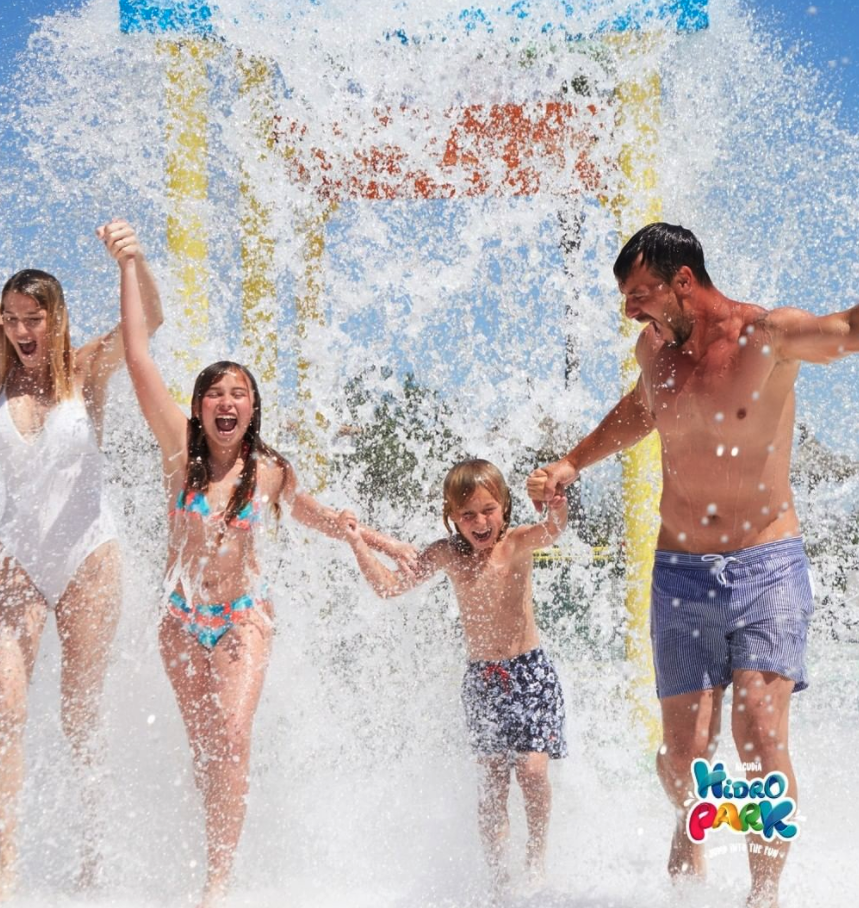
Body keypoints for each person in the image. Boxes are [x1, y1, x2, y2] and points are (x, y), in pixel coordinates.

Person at [527, 221, 859, 907]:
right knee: (683, 759)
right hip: (680, 570)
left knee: (758, 736)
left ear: (684, 281)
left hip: (766, 561)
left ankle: (761, 895)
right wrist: (570, 462)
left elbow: (844, 331)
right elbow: (641, 412)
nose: (630, 309)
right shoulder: (653, 348)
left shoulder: (764, 336)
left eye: (640, 293)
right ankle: (696, 818)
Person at [116, 241, 415, 908]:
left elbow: (307, 510)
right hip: (180, 621)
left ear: (252, 410)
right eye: (215, 393)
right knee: (204, 755)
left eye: (239, 394)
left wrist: (367, 534)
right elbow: (138, 360)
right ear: (197, 408)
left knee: (232, 735)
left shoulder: (271, 469)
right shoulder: (178, 454)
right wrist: (128, 269)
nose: (227, 402)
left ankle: (218, 882)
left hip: (243, 617)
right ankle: (212, 849)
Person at [0, 92, 164, 898]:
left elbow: (151, 330)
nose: (20, 328)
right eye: (10, 317)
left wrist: (133, 263)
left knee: (78, 714)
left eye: (32, 317)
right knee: (4, 703)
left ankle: (93, 850)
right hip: (16, 556)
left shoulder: (87, 368)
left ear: (56, 317)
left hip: (90, 556)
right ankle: (5, 868)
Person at [340, 459, 567, 892]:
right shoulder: (448, 554)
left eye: (488, 510)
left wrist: (556, 501)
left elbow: (554, 528)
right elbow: (389, 588)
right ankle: (498, 880)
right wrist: (358, 543)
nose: (480, 522)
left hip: (530, 673)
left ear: (504, 507)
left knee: (533, 773)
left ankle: (536, 859)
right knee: (493, 785)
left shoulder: (518, 542)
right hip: (483, 681)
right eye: (468, 515)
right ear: (452, 518)